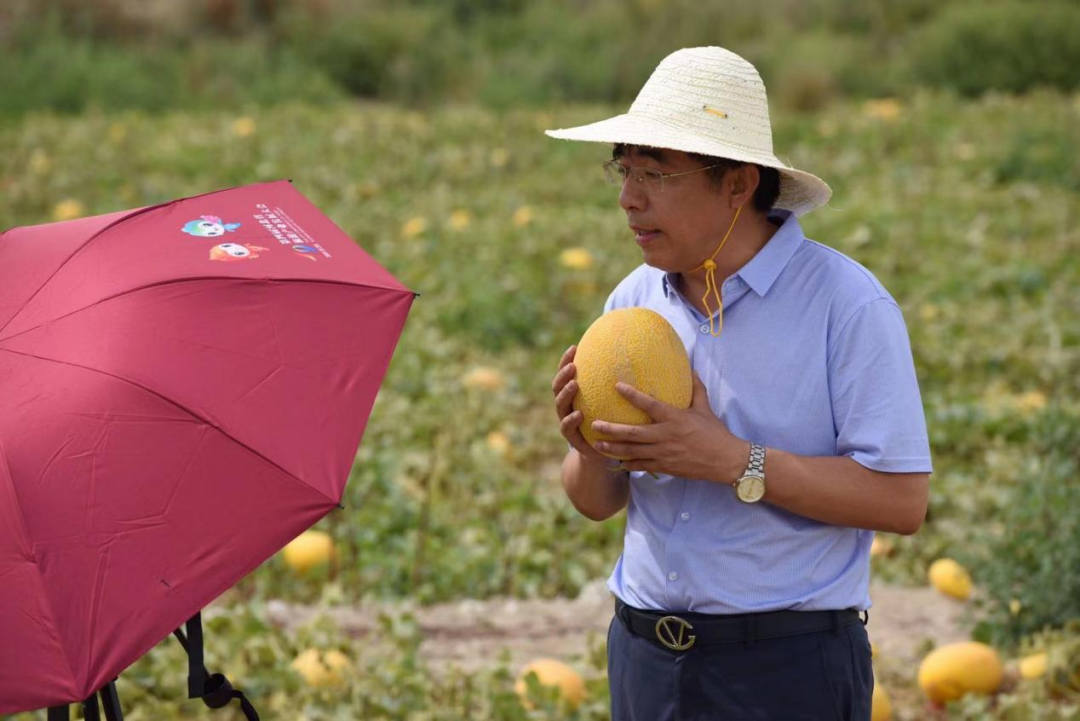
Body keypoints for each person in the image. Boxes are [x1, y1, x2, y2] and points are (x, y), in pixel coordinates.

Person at [545, 47, 932, 720]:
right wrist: (588, 449)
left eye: (656, 174)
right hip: (644, 656)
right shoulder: (634, 301)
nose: (628, 198)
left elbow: (901, 501)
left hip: (786, 668)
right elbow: (597, 501)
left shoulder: (848, 305)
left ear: (737, 184)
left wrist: (734, 459)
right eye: (624, 169)